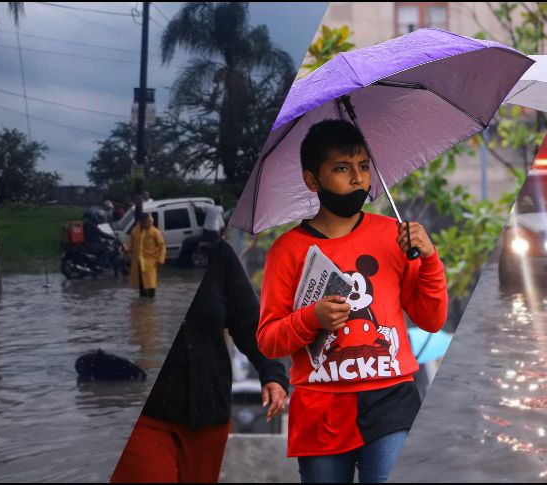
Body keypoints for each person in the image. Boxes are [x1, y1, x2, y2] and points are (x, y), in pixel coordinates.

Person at [257, 120, 449, 483]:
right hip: (320, 410)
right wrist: (311, 318)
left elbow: (432, 319)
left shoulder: (394, 235)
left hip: (392, 399)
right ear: (312, 180)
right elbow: (268, 341)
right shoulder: (287, 251)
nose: (357, 178)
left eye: (363, 166)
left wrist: (429, 258)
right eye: (342, 168)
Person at [111, 239, 289, 483]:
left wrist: (272, 373)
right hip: (146, 414)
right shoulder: (133, 248)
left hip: (208, 414)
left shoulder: (219, 255)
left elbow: (248, 322)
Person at [126, 213, 166, 298]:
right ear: (140, 222)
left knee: (151, 285)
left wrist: (160, 260)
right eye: (144, 222)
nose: (145, 224)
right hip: (138, 263)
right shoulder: (135, 230)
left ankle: (150, 304)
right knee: (141, 285)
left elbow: (162, 247)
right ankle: (143, 303)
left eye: (147, 222)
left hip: (150, 263)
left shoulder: (155, 232)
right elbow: (131, 244)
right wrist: (126, 249)